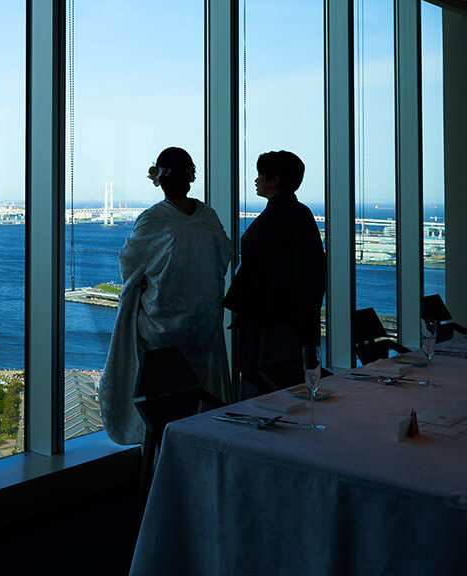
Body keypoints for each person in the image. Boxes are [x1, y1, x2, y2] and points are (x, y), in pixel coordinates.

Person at [99, 146, 233, 446]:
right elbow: (224, 257)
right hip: (203, 326)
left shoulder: (153, 219)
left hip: (161, 328)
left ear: (158, 179)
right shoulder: (207, 216)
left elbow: (130, 265)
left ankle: (163, 460)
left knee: (161, 403)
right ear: (190, 178)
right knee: (195, 396)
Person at [223, 150, 326, 397]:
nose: (256, 180)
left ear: (275, 179)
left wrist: (241, 309)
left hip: (267, 325)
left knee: (261, 390)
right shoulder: (303, 214)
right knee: (293, 388)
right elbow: (314, 270)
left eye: (260, 175)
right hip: (298, 323)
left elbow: (255, 270)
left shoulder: (271, 220)